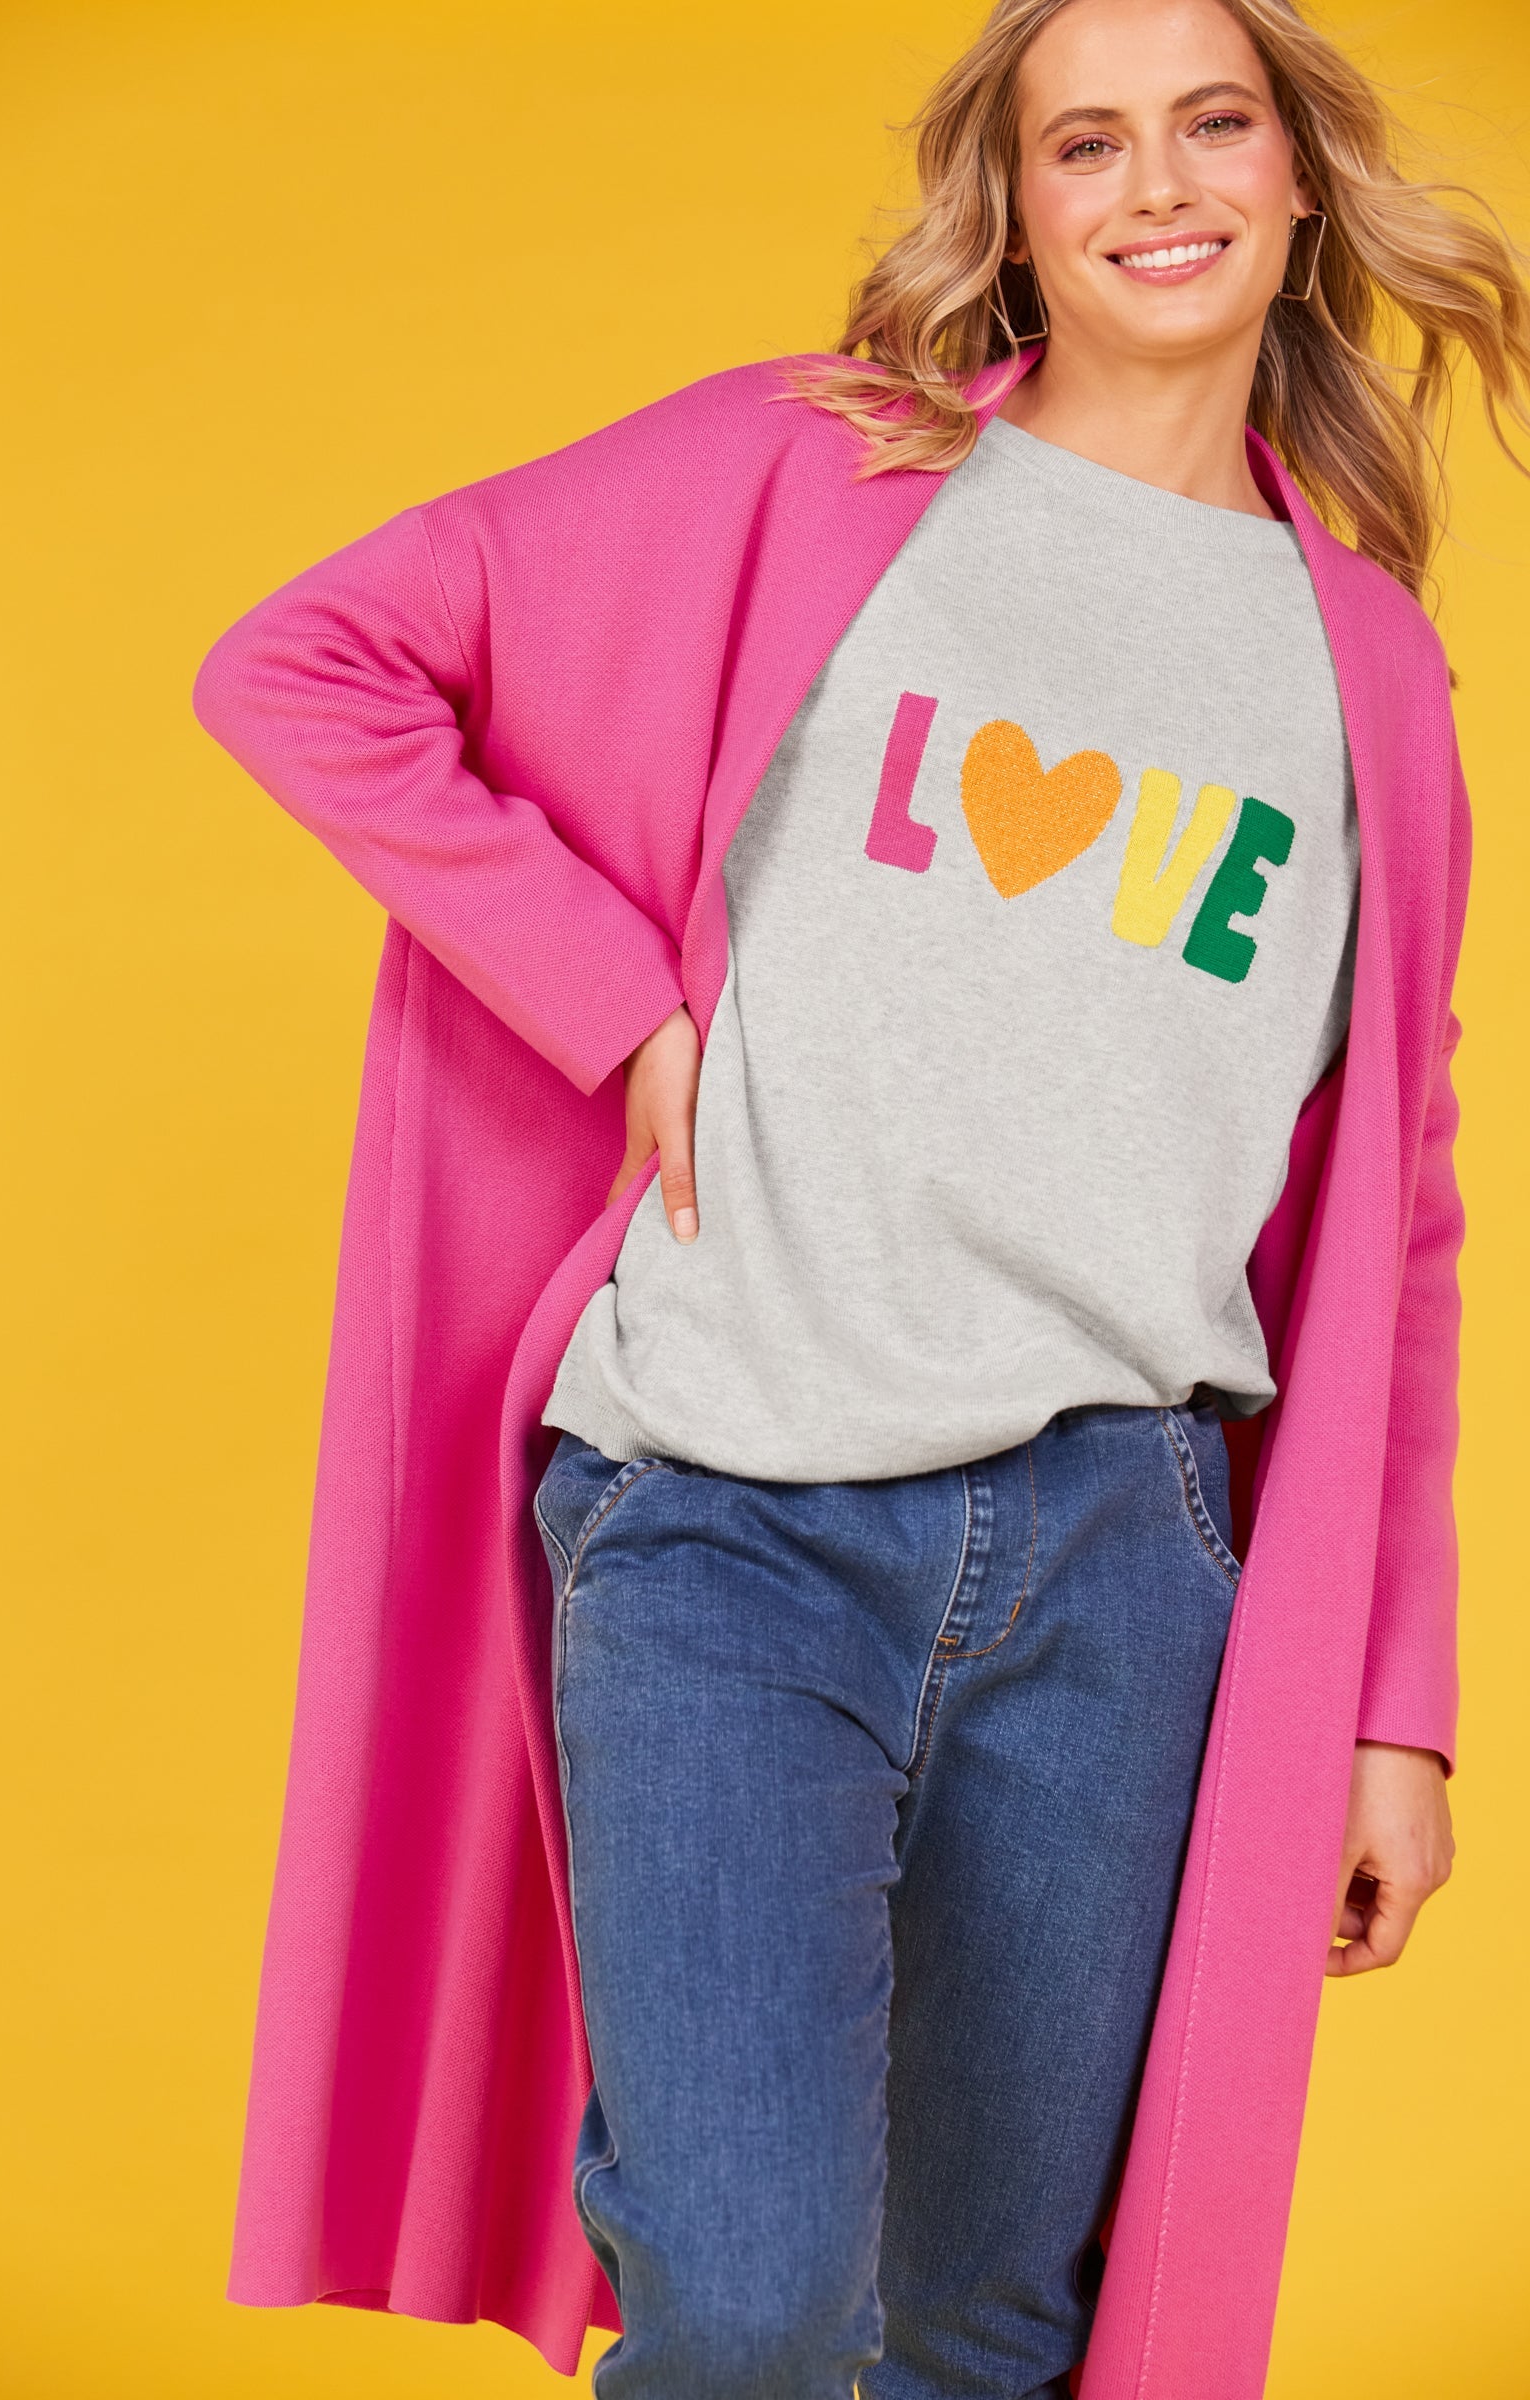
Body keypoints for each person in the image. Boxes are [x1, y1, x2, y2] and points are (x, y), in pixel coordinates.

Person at [192, 2, 1529, 2394]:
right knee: (743, 2300)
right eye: (1083, 142)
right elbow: (307, 663)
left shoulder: (1364, 673)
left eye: (1208, 124)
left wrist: (1390, 1715)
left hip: (1121, 1563)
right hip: (725, 1509)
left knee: (986, 2319)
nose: (1154, 185)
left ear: (1295, 176)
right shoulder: (815, 467)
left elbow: (1391, 1228)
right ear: (1011, 204)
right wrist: (611, 997)